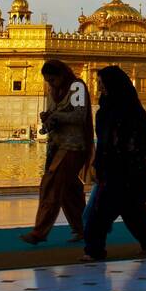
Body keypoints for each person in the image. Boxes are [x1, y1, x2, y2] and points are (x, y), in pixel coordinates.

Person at [81, 66, 146, 261]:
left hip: (121, 170)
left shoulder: (126, 112)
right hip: (115, 169)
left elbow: (133, 144)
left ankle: (95, 251)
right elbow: (104, 142)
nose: (98, 87)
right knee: (130, 211)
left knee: (97, 212)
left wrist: (109, 165)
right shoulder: (108, 110)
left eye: (101, 83)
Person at [20, 59, 90, 245]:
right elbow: (54, 112)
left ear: (62, 75)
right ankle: (84, 228)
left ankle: (39, 232)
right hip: (57, 145)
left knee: (52, 184)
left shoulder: (76, 87)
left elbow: (79, 115)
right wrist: (48, 118)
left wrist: (57, 115)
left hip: (74, 146)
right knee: (68, 189)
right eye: (48, 81)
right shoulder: (54, 91)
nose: (50, 84)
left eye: (53, 80)